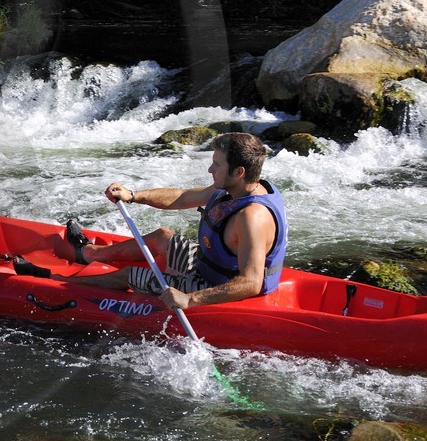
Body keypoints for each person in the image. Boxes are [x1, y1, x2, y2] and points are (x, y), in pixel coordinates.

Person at [62, 132, 288, 311]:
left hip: (216, 287)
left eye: (217, 165)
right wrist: (133, 195)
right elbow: (183, 197)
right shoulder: (235, 189)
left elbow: (251, 282)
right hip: (206, 265)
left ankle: (56, 283)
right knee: (162, 236)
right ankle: (89, 254)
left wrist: (190, 299)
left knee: (131, 275)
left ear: (239, 172)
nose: (210, 169)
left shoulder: (252, 217)